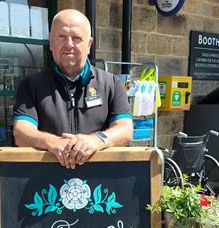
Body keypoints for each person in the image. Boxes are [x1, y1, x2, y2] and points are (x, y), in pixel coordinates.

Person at [12, 9, 133, 169]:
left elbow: (125, 129)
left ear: (89, 44)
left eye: (76, 38)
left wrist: (96, 139)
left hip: (99, 182)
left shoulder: (111, 84)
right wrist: (53, 142)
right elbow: (21, 132)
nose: (69, 44)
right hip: (46, 185)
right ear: (51, 41)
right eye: (61, 37)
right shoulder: (31, 85)